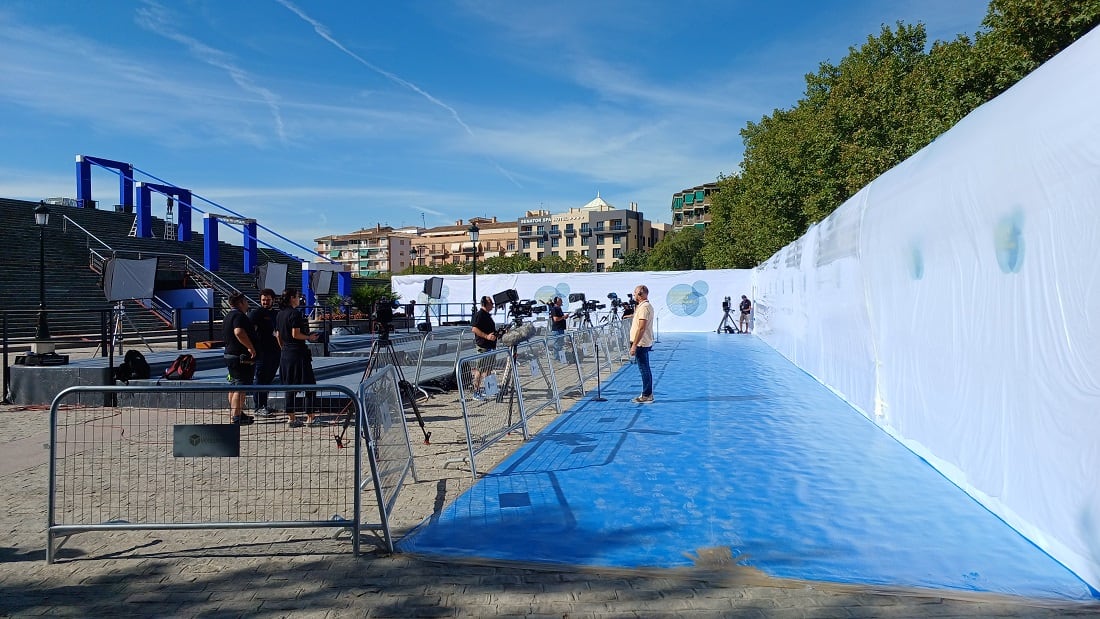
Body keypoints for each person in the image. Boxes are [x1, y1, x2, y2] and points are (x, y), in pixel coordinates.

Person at [276, 288, 322, 427]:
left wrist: (283, 348)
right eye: (297, 296)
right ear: (291, 298)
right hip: (298, 353)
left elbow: (278, 335)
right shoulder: (294, 314)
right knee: (309, 384)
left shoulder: (280, 314)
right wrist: (309, 337)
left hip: (286, 352)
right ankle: (310, 417)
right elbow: (296, 334)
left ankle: (291, 418)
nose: (299, 299)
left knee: (290, 386)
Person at [223, 292, 258, 425]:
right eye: (246, 301)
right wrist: (250, 347)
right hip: (240, 357)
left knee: (233, 385)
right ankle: (236, 415)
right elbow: (238, 332)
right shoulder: (239, 316)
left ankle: (236, 412)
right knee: (240, 386)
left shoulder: (228, 316)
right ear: (241, 302)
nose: (247, 304)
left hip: (229, 354)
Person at [249, 288, 281, 417]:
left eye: (268, 300)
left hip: (275, 351)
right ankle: (258, 407)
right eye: (263, 300)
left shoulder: (276, 313)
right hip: (261, 352)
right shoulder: (256, 313)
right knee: (260, 379)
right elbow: (249, 330)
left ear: (273, 300)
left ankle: (264, 404)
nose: (265, 302)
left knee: (268, 379)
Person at [628, 284, 654, 403]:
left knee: (644, 368)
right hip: (643, 342)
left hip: (641, 343)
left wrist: (634, 345)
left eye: (635, 293)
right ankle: (647, 393)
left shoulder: (644, 307)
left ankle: (646, 394)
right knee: (645, 368)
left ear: (641, 294)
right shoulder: (644, 306)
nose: (634, 295)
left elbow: (642, 327)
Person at [470, 296, 498, 400]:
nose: (493, 305)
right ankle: (476, 392)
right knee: (480, 370)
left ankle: (488, 389)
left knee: (488, 368)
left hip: (490, 345)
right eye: (491, 303)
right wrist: (486, 336)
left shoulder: (487, 315)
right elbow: (474, 328)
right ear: (485, 303)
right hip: (483, 346)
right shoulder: (479, 314)